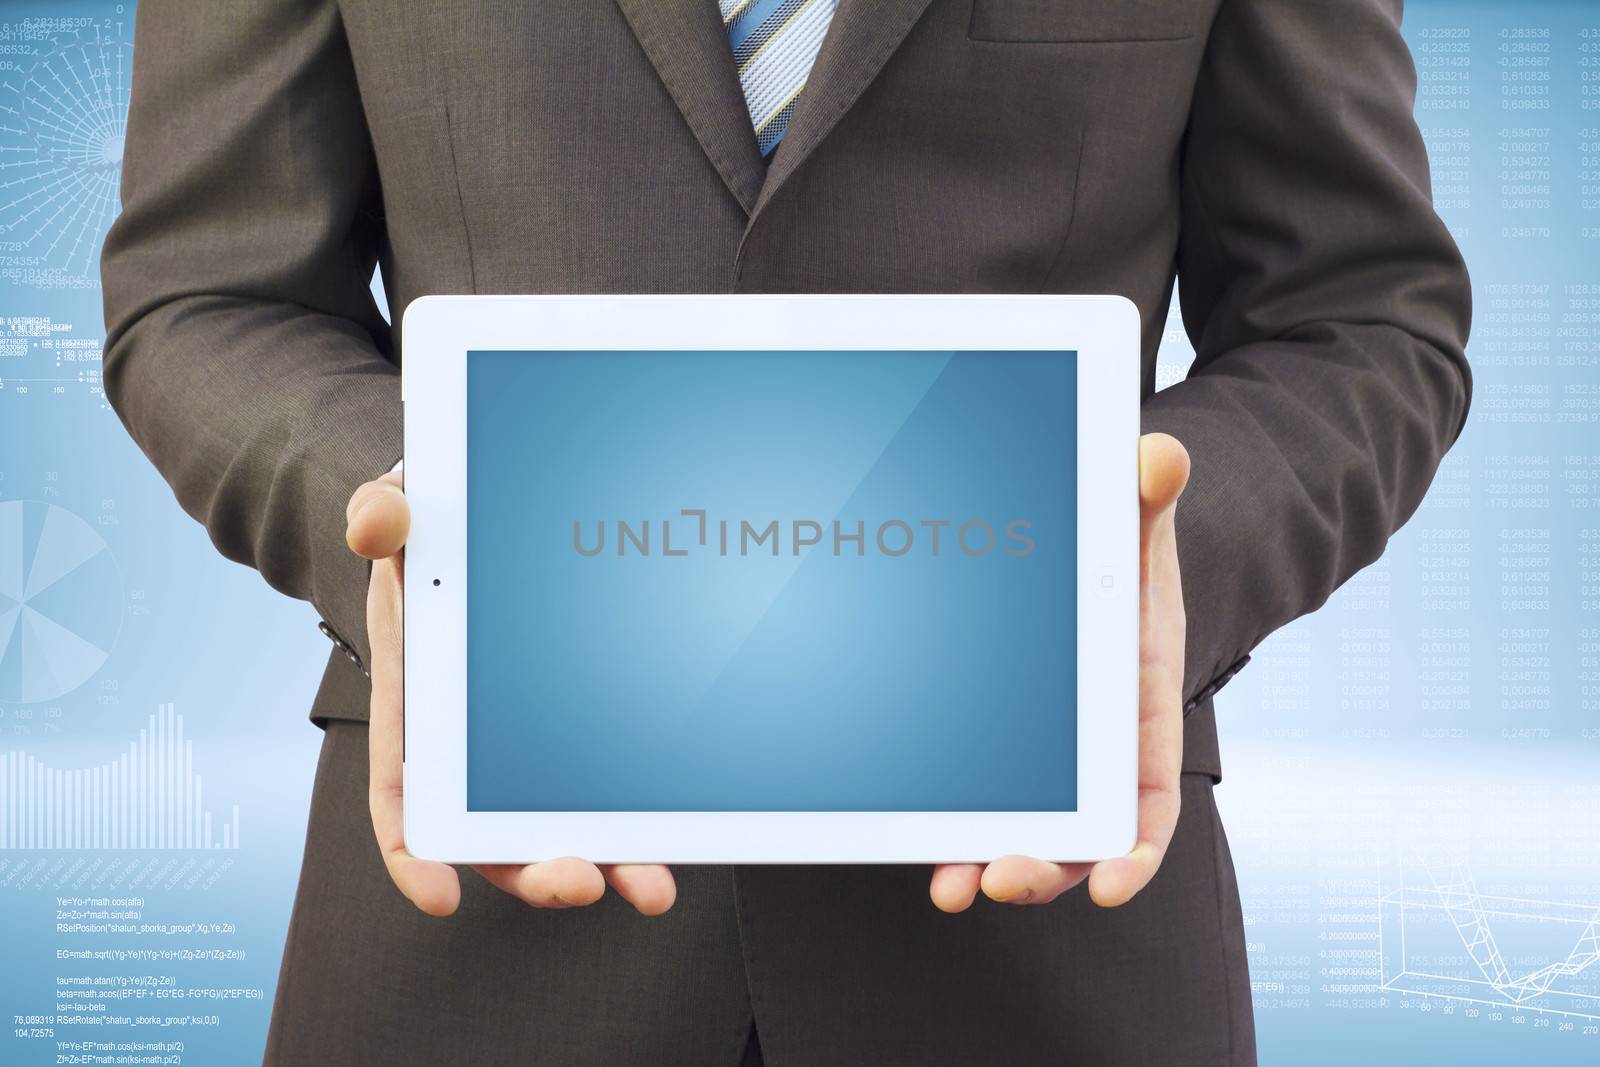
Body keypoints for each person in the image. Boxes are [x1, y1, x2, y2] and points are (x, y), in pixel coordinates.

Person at [100, 0, 1471, 1063]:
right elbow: (204, 297)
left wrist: (1145, 553)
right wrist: (418, 525)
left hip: (1051, 943)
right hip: (470, 943)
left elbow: (1357, 317)